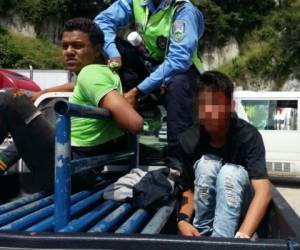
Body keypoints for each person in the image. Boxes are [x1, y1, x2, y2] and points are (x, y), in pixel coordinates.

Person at [0, 17, 143, 190]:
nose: (69, 51)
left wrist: (119, 115)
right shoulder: (105, 72)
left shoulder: (90, 75)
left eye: (77, 46)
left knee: (10, 99)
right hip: (83, 169)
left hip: (70, 170)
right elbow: (80, 86)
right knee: (49, 109)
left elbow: (135, 124)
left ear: (97, 50)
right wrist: (45, 92)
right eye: (65, 46)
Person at [94, 0, 204, 158]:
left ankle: (179, 161)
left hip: (181, 71)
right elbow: (102, 22)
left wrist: (138, 91)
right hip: (148, 64)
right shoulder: (136, 2)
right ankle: (118, 138)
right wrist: (114, 54)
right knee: (111, 46)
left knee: (178, 85)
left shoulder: (184, 10)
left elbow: (179, 60)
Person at [168, 71, 271, 238]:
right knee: (206, 165)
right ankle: (204, 237)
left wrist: (243, 236)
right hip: (205, 208)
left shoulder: (248, 136)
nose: (209, 111)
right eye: (203, 104)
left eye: (215, 103)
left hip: (242, 211)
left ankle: (222, 241)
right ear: (196, 108)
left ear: (231, 105)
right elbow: (188, 192)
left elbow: (263, 192)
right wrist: (182, 220)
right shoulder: (188, 141)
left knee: (229, 173)